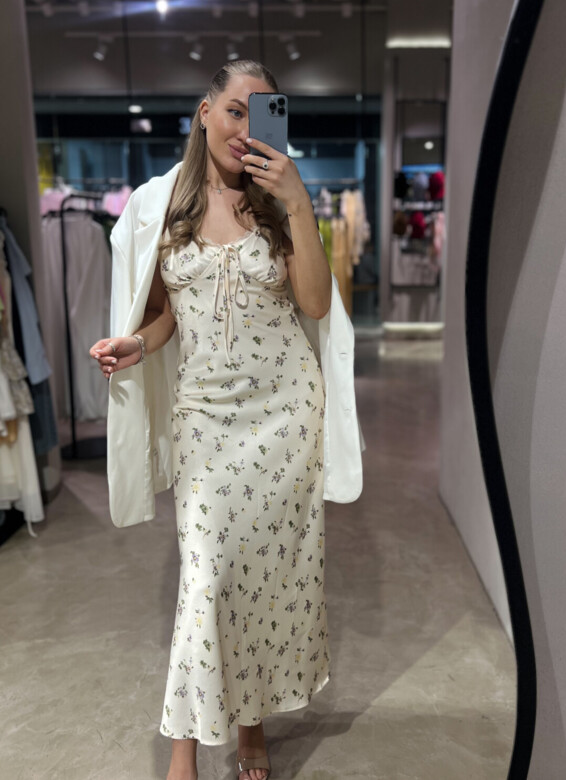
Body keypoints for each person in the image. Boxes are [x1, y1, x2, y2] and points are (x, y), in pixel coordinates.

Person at [90, 60, 362, 780]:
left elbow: (313, 304)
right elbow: (163, 313)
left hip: (283, 417)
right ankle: (183, 751)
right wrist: (135, 344)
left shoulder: (280, 202)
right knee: (206, 577)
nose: (245, 129)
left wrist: (297, 203)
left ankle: (250, 726)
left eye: (262, 114)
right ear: (205, 112)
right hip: (207, 419)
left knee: (260, 582)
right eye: (236, 111)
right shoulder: (159, 206)